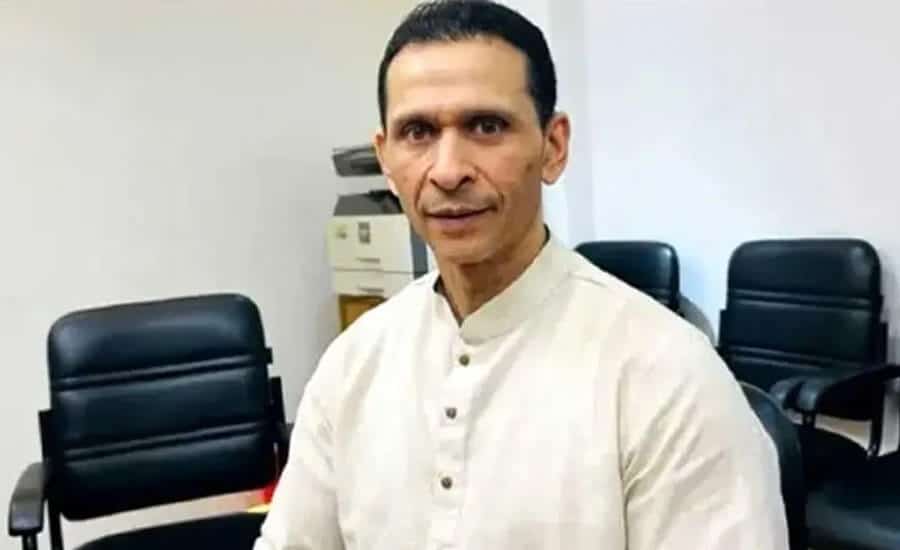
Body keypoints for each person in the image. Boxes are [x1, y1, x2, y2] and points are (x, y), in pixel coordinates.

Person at [254, 1, 789, 548]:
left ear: (553, 147)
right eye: (417, 131)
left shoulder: (668, 378)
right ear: (385, 158)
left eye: (486, 126)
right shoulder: (351, 365)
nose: (448, 171)